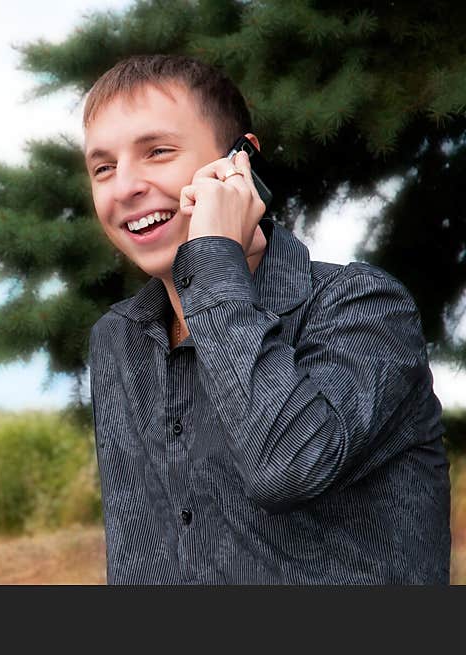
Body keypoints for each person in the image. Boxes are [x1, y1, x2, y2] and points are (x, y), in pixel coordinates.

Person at [83, 54, 451, 584]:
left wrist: (211, 256)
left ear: (240, 163)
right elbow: (138, 557)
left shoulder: (362, 306)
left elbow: (284, 466)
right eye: (103, 168)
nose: (124, 187)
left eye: (157, 152)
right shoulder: (118, 340)